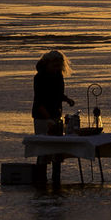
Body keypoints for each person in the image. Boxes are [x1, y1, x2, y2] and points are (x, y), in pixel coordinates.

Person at [32, 49, 76, 184]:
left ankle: (56, 179)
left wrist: (67, 99)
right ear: (47, 63)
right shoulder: (39, 77)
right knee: (43, 149)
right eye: (55, 65)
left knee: (57, 150)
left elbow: (58, 94)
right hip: (42, 117)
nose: (57, 68)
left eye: (59, 65)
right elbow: (39, 101)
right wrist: (48, 119)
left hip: (56, 116)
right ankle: (41, 179)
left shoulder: (58, 75)